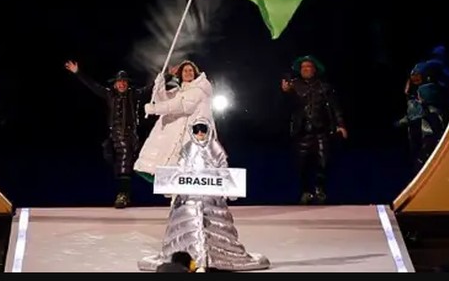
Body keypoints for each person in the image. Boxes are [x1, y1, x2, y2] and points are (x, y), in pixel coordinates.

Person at [138, 119, 270, 272]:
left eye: (203, 129)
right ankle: (191, 258)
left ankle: (212, 257)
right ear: (191, 131)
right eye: (196, 130)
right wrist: (178, 184)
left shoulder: (215, 148)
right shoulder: (187, 148)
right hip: (190, 196)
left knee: (211, 223)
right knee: (190, 221)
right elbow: (181, 169)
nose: (200, 133)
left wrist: (228, 187)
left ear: (209, 130)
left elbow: (223, 169)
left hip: (210, 197)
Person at [65, 60, 148, 208]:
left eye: (124, 82)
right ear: (115, 84)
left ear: (127, 84)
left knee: (127, 163)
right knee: (121, 164)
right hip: (115, 136)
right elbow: (93, 86)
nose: (121, 84)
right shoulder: (109, 95)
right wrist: (78, 73)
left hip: (130, 136)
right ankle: (124, 194)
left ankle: (124, 194)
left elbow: (150, 88)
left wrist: (165, 77)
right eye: (119, 82)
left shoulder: (134, 94)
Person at [281, 55, 347, 205]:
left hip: (321, 129)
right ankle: (305, 191)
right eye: (303, 67)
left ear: (314, 69)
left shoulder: (324, 87)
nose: (306, 69)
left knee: (323, 161)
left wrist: (340, 125)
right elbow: (284, 107)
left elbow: (335, 108)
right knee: (302, 164)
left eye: (309, 67)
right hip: (302, 130)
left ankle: (319, 189)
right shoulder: (294, 85)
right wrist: (286, 93)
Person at [134, 60, 215, 181]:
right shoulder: (180, 91)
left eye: (190, 70)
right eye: (185, 71)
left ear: (195, 73)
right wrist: (161, 82)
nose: (188, 73)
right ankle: (174, 193)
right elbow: (163, 100)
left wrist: (154, 109)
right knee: (173, 167)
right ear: (180, 74)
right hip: (178, 133)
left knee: (189, 167)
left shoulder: (198, 90)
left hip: (194, 134)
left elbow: (180, 105)